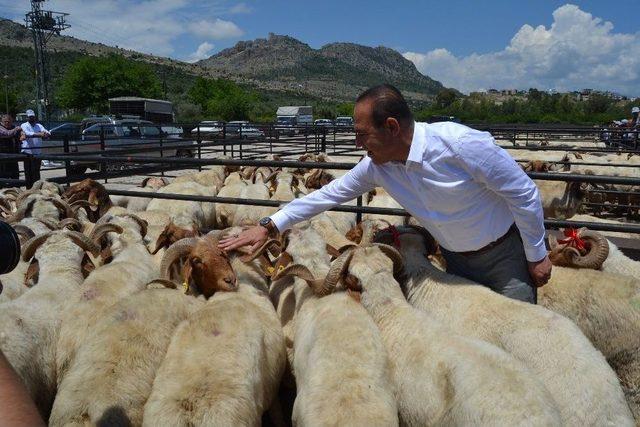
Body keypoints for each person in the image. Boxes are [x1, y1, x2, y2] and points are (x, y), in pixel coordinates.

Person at [219, 84, 552, 304]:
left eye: (362, 135)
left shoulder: (461, 145)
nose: (357, 144)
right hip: (455, 262)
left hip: (505, 259)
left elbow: (523, 192)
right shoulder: (378, 166)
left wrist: (536, 255)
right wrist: (269, 226)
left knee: (520, 337)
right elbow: (326, 195)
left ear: (392, 127)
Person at [20, 109, 50, 184]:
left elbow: (46, 131)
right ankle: (29, 188)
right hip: (27, 152)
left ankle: (37, 188)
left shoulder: (39, 125)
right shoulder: (24, 125)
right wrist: (39, 134)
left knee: (36, 171)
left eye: (32, 117)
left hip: (37, 152)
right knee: (28, 171)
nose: (31, 118)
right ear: (26, 118)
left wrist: (46, 133)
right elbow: (27, 133)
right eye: (29, 117)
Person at [0, 114, 22, 180]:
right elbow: (7, 134)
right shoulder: (1, 127)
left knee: (15, 175)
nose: (7, 123)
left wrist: (22, 134)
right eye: (5, 121)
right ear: (1, 121)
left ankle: (16, 189)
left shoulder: (13, 127)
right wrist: (16, 129)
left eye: (9, 121)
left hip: (13, 155)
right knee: (3, 176)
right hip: (2, 156)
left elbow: (21, 131)